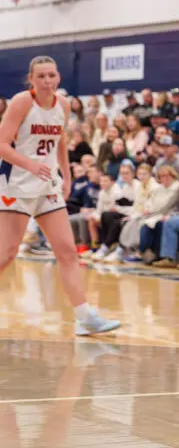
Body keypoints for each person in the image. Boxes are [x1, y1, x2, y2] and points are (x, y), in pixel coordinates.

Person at [0, 56, 121, 335]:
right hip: (16, 183)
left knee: (67, 252)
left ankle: (84, 317)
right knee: (6, 254)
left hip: (47, 186)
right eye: (40, 76)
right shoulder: (21, 102)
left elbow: (61, 141)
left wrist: (66, 175)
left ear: (58, 78)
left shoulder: (63, 105)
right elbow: (2, 144)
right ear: (31, 79)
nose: (46, 81)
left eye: (51, 75)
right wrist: (31, 165)